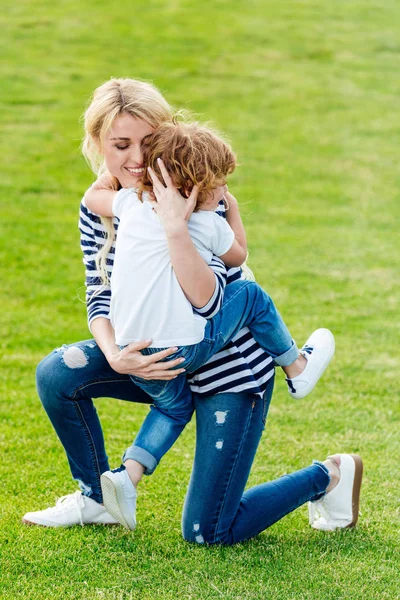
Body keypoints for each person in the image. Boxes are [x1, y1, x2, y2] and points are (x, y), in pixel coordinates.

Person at [22, 78, 363, 540]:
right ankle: (98, 497)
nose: (137, 159)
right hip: (159, 359)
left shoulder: (202, 195)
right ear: (98, 144)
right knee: (58, 371)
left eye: (148, 142)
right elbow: (98, 293)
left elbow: (213, 301)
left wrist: (174, 227)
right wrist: (118, 355)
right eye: (121, 145)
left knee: (207, 532)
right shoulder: (107, 204)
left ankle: (330, 476)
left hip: (225, 362)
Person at [84, 120, 335, 530]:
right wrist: (231, 212)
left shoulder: (130, 205)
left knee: (173, 405)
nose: (224, 192)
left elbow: (95, 198)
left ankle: (127, 476)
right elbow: (238, 256)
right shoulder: (207, 222)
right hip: (188, 347)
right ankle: (296, 366)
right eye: (219, 184)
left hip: (135, 350)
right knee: (252, 297)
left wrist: (123, 179)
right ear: (197, 190)